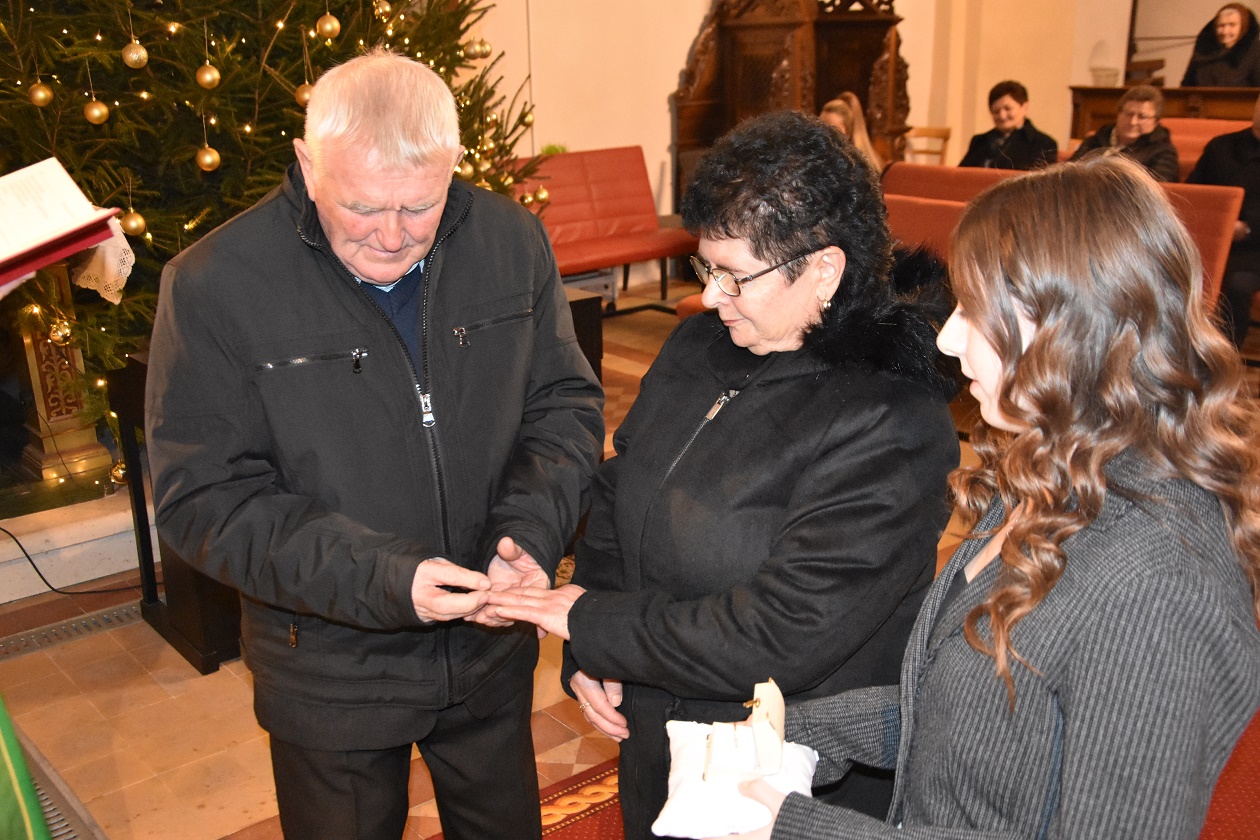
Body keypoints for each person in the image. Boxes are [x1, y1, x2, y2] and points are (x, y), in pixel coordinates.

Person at [700, 155, 1260, 840]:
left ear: (1072, 330)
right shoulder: (1053, 469)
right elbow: (979, 708)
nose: (946, 338)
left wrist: (796, 827)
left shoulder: (1159, 584)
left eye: (975, 310)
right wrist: (804, 731)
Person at [144, 50, 604, 840]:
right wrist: (389, 580)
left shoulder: (510, 240)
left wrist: (528, 533)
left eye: (420, 206)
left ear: (453, 165)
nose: (392, 237)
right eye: (361, 207)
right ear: (307, 164)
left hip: (489, 649)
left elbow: (563, 406)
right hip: (330, 672)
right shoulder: (215, 283)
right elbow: (204, 501)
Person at [485, 110, 961, 839]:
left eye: (735, 275)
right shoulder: (699, 345)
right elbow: (619, 494)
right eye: (706, 268)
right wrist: (591, 654)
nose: (711, 297)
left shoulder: (891, 421)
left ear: (824, 270)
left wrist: (587, 619)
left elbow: (781, 634)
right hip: (660, 728)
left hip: (783, 775)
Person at [1188, 91, 1260, 348]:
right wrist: (1214, 225)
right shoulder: (1221, 147)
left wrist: (1248, 229)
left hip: (1254, 250)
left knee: (1236, 284)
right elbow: (1194, 193)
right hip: (1209, 240)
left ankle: (1225, 355)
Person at [1068, 85, 1179, 182]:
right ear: (1118, 114)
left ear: (1156, 121)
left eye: (1142, 117)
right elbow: (1070, 171)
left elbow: (1156, 188)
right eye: (1129, 114)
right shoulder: (1095, 140)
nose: (1133, 122)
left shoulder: (1164, 152)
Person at [959, 80, 1057, 170]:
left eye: (1008, 109)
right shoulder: (979, 141)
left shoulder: (1043, 143)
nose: (1002, 116)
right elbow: (961, 173)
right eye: (996, 111)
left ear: (1025, 108)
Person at [1182, 3, 1260, 87]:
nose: (1225, 31)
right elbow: (1186, 86)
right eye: (1221, 25)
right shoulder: (1203, 50)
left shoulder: (1255, 52)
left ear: (1243, 26)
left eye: (1232, 25)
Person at [820, 92, 885, 171]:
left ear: (847, 133)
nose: (825, 135)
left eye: (832, 130)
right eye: (821, 128)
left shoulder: (858, 167)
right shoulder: (819, 158)